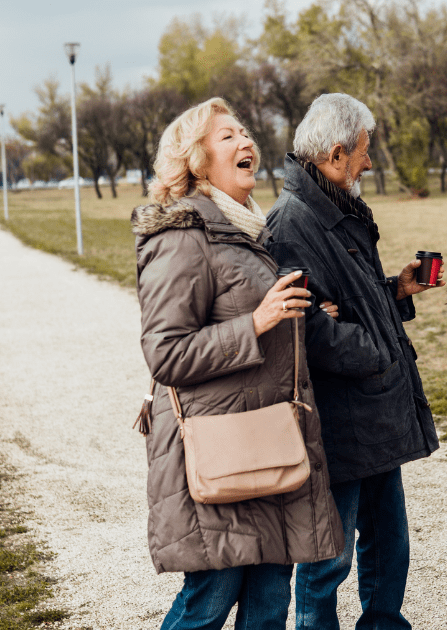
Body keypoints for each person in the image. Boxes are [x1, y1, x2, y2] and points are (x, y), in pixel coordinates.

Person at [131, 97, 344, 630]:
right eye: (227, 136)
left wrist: (300, 315)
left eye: (245, 131)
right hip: (222, 448)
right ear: (197, 161)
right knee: (208, 601)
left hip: (269, 441)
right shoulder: (181, 237)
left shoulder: (249, 232)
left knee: (270, 606)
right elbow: (165, 352)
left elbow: (248, 309)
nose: (245, 140)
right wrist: (257, 322)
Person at [265, 93, 441, 630]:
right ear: (337, 153)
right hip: (338, 418)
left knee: (389, 541)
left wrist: (397, 290)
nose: (370, 161)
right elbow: (306, 326)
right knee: (328, 556)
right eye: (364, 151)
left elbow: (351, 303)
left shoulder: (339, 209)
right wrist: (377, 351)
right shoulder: (291, 221)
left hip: (375, 408)